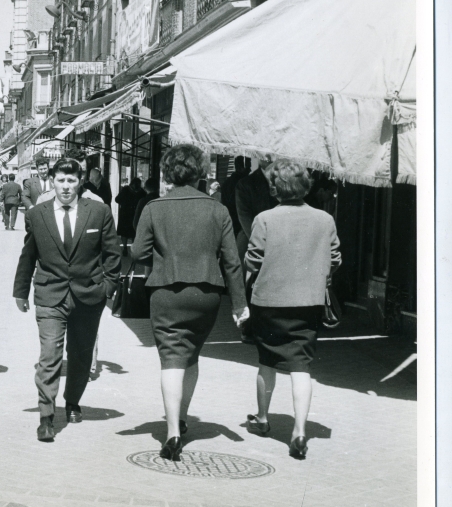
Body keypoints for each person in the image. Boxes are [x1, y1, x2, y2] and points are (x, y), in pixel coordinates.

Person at [130, 144, 247, 461]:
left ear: (167, 173)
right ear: (201, 173)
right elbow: (233, 262)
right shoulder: (218, 210)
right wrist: (239, 305)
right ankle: (182, 416)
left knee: (170, 358)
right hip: (207, 295)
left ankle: (172, 434)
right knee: (191, 355)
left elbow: (139, 253)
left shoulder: (153, 208)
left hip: (166, 293)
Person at [13, 157, 123, 442]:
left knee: (81, 355)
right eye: (60, 180)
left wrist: (107, 288)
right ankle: (46, 417)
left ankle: (73, 400)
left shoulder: (98, 212)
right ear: (52, 181)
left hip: (89, 295)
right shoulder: (37, 214)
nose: (65, 186)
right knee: (49, 355)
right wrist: (20, 291)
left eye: (71, 180)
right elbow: (29, 255)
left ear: (80, 182)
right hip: (50, 294)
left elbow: (112, 254)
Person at [243, 159, 341, 460]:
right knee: (301, 365)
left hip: (269, 302)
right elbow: (335, 258)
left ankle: (262, 419)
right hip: (308, 302)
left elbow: (252, 261)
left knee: (267, 361)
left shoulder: (264, 219)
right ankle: (299, 432)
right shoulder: (325, 220)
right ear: (305, 187)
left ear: (275, 189)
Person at [235, 159, 277, 263]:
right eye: (265, 153)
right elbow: (244, 217)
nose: (269, 157)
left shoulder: (285, 181)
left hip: (279, 240)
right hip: (252, 238)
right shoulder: (245, 183)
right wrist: (260, 243)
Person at [221, 156, 250, 237]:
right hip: (240, 223)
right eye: (248, 167)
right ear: (242, 167)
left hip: (229, 221)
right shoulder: (244, 184)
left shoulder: (227, 182)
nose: (250, 170)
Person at [115, 177, 145, 254]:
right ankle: (133, 248)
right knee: (134, 232)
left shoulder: (125, 190)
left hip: (125, 214)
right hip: (135, 214)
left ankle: (125, 247)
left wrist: (124, 203)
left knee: (124, 232)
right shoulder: (141, 192)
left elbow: (117, 199)